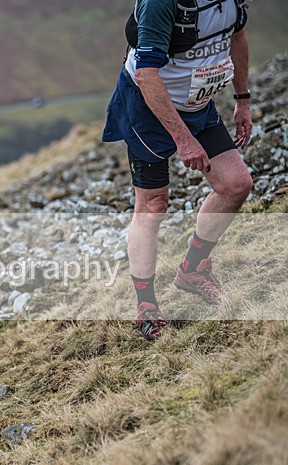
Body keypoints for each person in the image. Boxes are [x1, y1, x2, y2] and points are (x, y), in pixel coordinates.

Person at [103, 0, 253, 340]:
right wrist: (183, 141)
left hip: (197, 103)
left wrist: (242, 99)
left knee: (236, 184)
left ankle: (193, 270)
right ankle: (146, 305)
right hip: (147, 105)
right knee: (153, 205)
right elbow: (146, 73)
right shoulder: (162, 3)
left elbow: (237, 36)